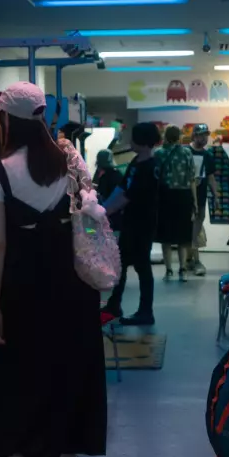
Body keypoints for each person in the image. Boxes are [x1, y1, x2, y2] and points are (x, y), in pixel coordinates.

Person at [0, 81, 106, 457]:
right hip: (72, 286)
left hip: (23, 286)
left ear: (7, 119)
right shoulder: (72, 162)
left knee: (16, 373)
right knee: (65, 369)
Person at [102, 122, 161, 325]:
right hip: (131, 222)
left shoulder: (150, 167)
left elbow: (128, 195)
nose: (129, 142)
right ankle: (115, 303)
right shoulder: (137, 162)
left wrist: (105, 211)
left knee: (142, 266)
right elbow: (122, 188)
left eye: (133, 138)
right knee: (121, 263)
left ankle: (145, 311)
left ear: (143, 141)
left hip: (142, 223)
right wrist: (104, 208)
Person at [155, 125, 197, 282]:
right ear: (179, 136)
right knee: (183, 237)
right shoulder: (186, 152)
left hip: (165, 197)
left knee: (166, 237)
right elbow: (192, 178)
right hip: (184, 196)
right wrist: (195, 202)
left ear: (165, 136)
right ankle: (183, 269)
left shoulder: (159, 153)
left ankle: (168, 270)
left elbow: (155, 178)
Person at [186, 126, 218, 276]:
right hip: (185, 196)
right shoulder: (185, 152)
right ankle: (194, 260)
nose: (204, 139)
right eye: (201, 135)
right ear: (194, 136)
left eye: (206, 135)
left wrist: (216, 196)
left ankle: (190, 260)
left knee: (196, 228)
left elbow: (211, 177)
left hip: (201, 196)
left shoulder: (208, 155)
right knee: (189, 229)